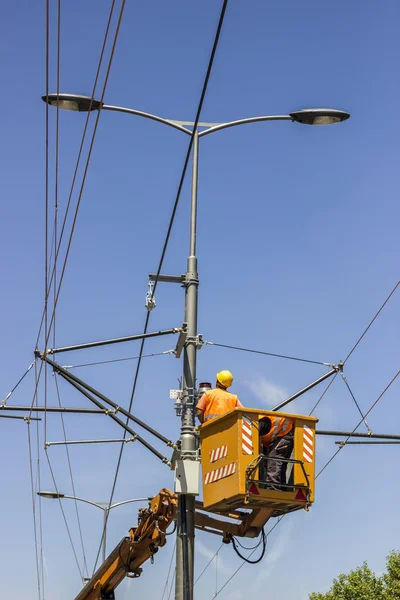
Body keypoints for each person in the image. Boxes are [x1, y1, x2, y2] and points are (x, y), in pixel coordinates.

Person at [259, 415, 294, 490]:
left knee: (274, 458)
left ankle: (272, 487)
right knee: (281, 464)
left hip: (286, 433)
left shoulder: (257, 424)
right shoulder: (258, 421)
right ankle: (282, 487)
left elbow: (256, 444)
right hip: (283, 435)